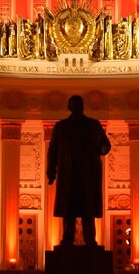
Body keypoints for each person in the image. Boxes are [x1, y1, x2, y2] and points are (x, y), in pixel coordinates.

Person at [46, 94, 111, 246]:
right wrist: (51, 172)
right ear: (70, 107)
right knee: (69, 209)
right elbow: (53, 150)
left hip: (87, 174)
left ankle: (90, 239)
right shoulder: (61, 127)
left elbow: (105, 144)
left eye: (79, 105)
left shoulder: (94, 125)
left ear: (82, 107)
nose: (77, 108)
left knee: (88, 209)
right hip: (69, 173)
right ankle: (67, 238)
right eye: (74, 105)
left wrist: (101, 148)